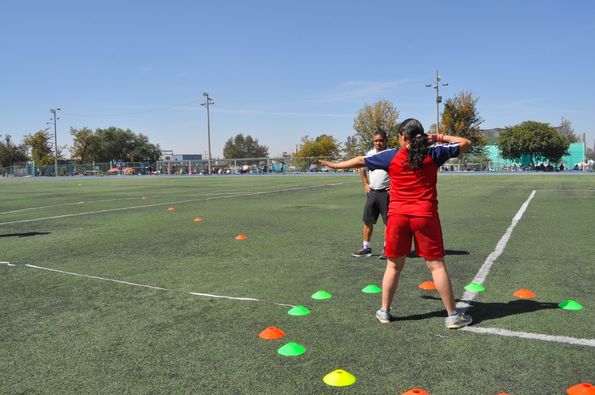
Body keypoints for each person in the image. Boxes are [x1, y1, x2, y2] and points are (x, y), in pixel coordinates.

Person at [321, 118, 473, 329]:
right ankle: (453, 316)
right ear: (422, 136)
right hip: (425, 216)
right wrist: (438, 137)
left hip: (398, 217)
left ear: (403, 137)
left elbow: (360, 160)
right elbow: (465, 142)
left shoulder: (393, 155)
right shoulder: (434, 152)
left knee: (393, 265)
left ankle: (384, 311)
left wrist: (336, 165)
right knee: (436, 266)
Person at [352, 130, 390, 259]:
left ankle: (387, 248)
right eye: (376, 140)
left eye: (381, 140)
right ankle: (366, 247)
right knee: (368, 221)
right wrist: (365, 184)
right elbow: (362, 169)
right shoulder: (369, 154)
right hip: (373, 193)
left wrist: (395, 186)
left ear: (386, 141)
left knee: (388, 223)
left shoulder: (391, 155)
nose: (378, 143)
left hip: (387, 194)